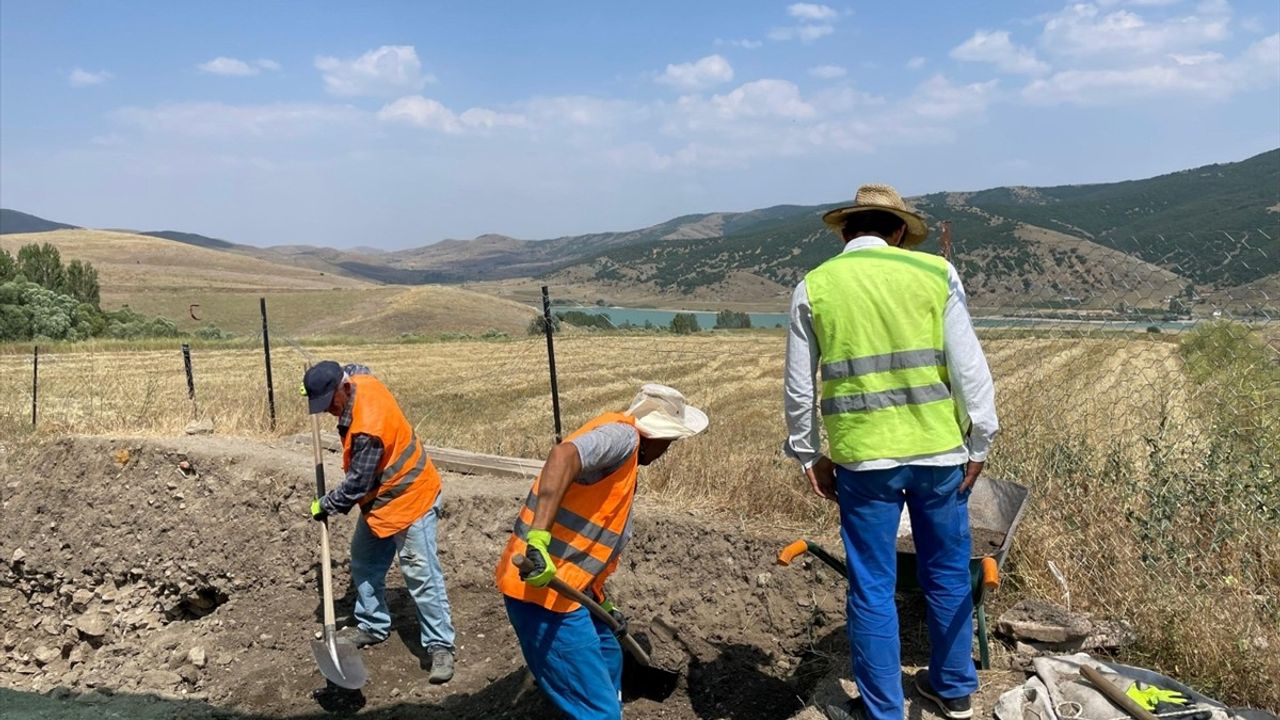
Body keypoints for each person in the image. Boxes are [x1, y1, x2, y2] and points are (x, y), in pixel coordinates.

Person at [782, 185, 999, 720]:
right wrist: (980, 440)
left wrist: (809, 455)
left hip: (863, 462)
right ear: (899, 231)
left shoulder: (814, 286)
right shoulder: (934, 274)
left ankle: (883, 712)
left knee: (872, 585)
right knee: (948, 574)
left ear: (845, 231)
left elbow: (798, 387)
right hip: (939, 455)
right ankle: (954, 690)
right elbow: (969, 366)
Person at [495, 384, 708, 720]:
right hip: (542, 593)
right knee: (600, 711)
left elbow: (587, 538)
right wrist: (538, 540)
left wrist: (601, 598)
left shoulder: (625, 459)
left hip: (574, 587)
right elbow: (563, 455)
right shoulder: (622, 438)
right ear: (656, 436)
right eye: (670, 441)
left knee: (610, 652)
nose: (668, 449)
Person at [303, 360, 457, 684]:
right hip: (381, 505)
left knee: (422, 576)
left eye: (330, 401)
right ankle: (373, 624)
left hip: (411, 499)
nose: (328, 410)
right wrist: (315, 382)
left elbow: (357, 485)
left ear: (344, 388)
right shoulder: (359, 379)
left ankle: (441, 646)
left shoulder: (368, 429)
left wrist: (325, 505)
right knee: (364, 559)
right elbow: (358, 365)